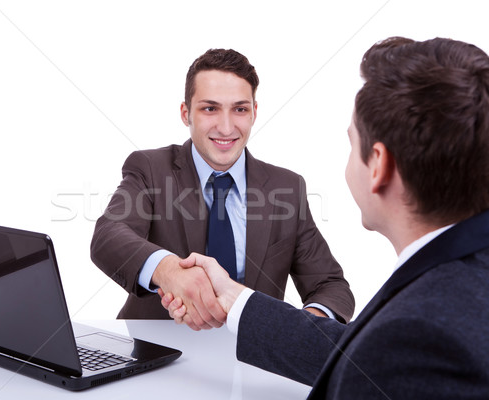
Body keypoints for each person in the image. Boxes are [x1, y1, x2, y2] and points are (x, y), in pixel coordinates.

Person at [162, 37, 489, 398]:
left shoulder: (414, 334)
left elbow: (383, 350)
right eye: (210, 108)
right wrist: (235, 299)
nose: (225, 126)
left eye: (352, 143)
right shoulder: (463, 282)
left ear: (378, 166)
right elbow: (360, 353)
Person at [90, 49, 355, 330]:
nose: (226, 127)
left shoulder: (286, 188)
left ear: (254, 113)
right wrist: (167, 271)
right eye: (210, 108)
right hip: (155, 355)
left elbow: (330, 286)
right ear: (185, 113)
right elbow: (109, 235)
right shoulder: (151, 169)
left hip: (253, 361)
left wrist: (297, 331)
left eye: (240, 109)